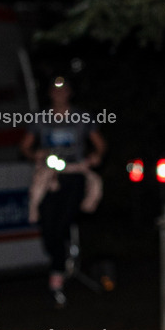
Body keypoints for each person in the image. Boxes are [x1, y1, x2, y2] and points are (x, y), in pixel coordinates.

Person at [20, 76, 106, 306]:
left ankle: (56, 279)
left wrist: (96, 156)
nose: (59, 94)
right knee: (47, 226)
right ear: (49, 93)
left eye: (63, 89)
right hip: (48, 177)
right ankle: (60, 256)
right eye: (55, 90)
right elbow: (25, 146)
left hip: (74, 175)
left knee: (62, 223)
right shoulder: (40, 118)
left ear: (69, 92)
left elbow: (100, 143)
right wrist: (34, 153)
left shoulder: (81, 116)